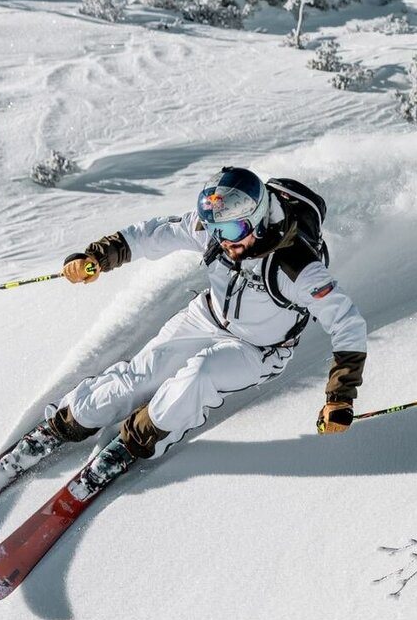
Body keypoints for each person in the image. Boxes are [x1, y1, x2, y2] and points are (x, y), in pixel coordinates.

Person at [20, 167, 368, 489]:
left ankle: (138, 440)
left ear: (258, 221)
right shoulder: (216, 232)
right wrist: (97, 256)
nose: (223, 240)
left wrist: (340, 397)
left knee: (198, 376)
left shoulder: (296, 267)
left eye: (232, 230)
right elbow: (152, 234)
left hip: (259, 349)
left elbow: (347, 323)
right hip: (207, 317)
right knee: (141, 376)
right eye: (216, 228)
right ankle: (66, 422)